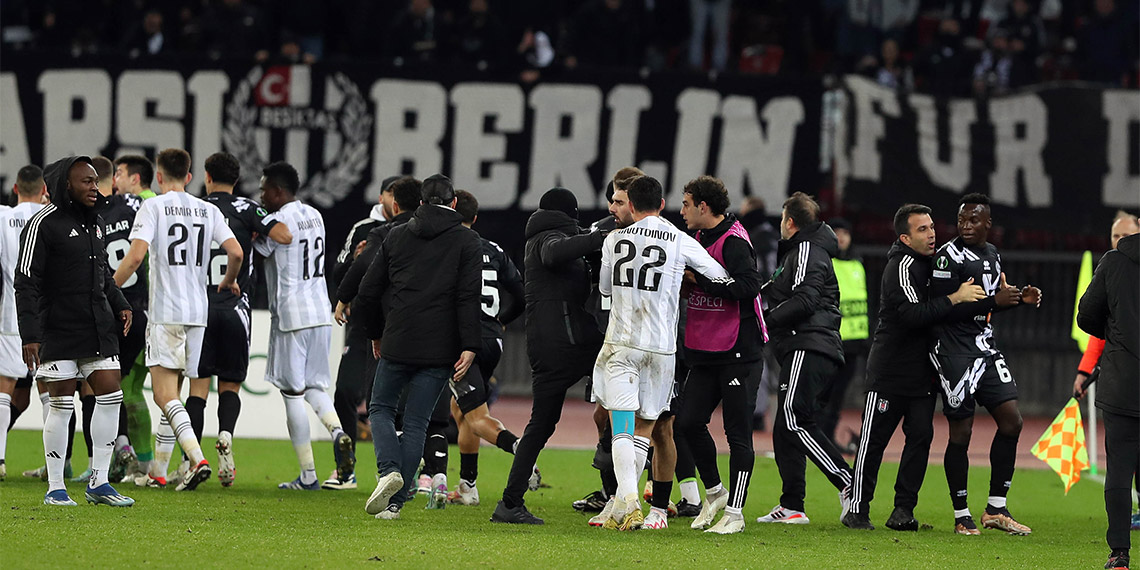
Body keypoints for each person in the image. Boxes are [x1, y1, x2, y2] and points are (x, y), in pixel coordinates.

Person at [592, 175, 729, 532]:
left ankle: (629, 501)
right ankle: (624, 504)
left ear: (631, 205)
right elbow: (718, 274)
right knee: (646, 427)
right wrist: (687, 280)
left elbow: (605, 288)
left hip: (622, 343)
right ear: (662, 204)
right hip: (662, 350)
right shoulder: (680, 239)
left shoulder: (614, 240)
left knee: (621, 425)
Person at [842, 204, 985, 531]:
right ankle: (857, 509)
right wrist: (955, 298)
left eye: (932, 226)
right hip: (890, 371)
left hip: (923, 372)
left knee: (920, 438)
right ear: (905, 238)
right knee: (873, 441)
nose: (932, 233)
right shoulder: (901, 265)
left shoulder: (934, 264)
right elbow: (912, 315)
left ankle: (903, 510)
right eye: (922, 229)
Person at [113, 148, 242, 491]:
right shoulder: (208, 209)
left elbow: (136, 257)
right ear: (189, 176)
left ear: (158, 177)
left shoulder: (153, 206)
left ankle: (197, 459)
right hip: (198, 314)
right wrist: (229, 280)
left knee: (163, 395)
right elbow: (236, 252)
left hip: (166, 312)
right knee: (176, 395)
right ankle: (158, 472)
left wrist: (108, 288)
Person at [354, 174, 482, 520]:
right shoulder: (468, 241)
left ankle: (388, 470)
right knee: (417, 422)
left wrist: (375, 333)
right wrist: (470, 344)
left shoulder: (397, 235)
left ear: (421, 202)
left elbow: (368, 291)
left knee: (380, 407)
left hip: (398, 338)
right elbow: (468, 297)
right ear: (453, 203)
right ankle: (394, 505)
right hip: (440, 347)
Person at [16, 155, 134, 506]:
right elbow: (25, 282)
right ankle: (56, 488)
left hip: (97, 324)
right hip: (58, 327)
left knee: (111, 395)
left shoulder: (95, 222)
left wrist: (121, 303)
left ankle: (99, 482)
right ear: (66, 185)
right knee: (62, 403)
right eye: (87, 182)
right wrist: (30, 335)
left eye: (96, 181)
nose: (95, 188)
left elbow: (102, 274)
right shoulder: (42, 224)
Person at [491, 187, 606, 525]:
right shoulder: (547, 239)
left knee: (541, 424)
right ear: (570, 213)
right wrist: (599, 236)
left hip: (552, 342)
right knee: (623, 398)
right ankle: (616, 491)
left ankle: (510, 502)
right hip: (567, 342)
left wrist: (596, 239)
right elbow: (555, 253)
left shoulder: (543, 235)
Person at [929, 193, 1040, 535]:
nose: (966, 226)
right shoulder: (947, 257)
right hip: (954, 352)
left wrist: (1018, 299)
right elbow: (941, 309)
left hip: (985, 348)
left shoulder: (992, 253)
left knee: (1012, 421)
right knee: (961, 433)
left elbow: (988, 306)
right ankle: (961, 514)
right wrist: (994, 301)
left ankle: (996, 508)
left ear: (988, 224)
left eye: (973, 220)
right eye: (961, 220)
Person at [185, 152, 293, 487]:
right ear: (236, 180)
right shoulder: (248, 209)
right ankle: (226, 435)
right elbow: (284, 235)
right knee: (230, 385)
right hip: (235, 308)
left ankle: (193, 461)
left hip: (200, 310)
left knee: (197, 388)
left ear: (207, 177)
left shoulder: (195, 208)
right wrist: (257, 233)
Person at [251, 161, 352, 491]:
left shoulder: (279, 220)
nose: (261, 196)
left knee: (292, 394)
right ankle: (338, 433)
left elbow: (259, 249)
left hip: (292, 313)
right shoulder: (315, 215)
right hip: (321, 310)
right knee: (314, 387)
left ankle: (308, 474)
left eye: (264, 190)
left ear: (278, 191)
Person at [675, 176, 767, 534]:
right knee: (687, 423)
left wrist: (699, 281)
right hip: (705, 348)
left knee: (737, 433)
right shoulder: (696, 239)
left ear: (703, 206)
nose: (682, 211)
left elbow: (749, 286)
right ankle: (715, 493)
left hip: (738, 351)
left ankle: (736, 513)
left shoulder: (734, 241)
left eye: (686, 204)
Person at [758, 191, 854, 526]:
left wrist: (764, 322)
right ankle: (792, 505)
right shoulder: (805, 251)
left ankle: (848, 482)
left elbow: (804, 300)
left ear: (790, 222)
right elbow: (777, 291)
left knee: (793, 417)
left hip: (808, 344)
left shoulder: (806, 250)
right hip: (809, 345)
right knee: (785, 427)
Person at [326, 175, 411, 490]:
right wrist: (354, 259)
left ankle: (400, 472)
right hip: (363, 327)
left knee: (392, 401)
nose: (391, 199)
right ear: (381, 197)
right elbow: (338, 272)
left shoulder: (415, 231)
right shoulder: (363, 229)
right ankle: (346, 469)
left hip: (397, 327)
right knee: (345, 393)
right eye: (389, 192)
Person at [446, 189, 527, 506]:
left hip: (463, 342)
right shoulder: (493, 249)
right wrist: (501, 321)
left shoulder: (449, 246)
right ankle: (468, 487)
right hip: (493, 340)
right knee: (462, 411)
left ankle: (521, 450)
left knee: (477, 416)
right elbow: (521, 296)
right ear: (475, 218)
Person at [1077, 231, 1138, 570]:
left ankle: (1119, 554)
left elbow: (1086, 315)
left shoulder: (1114, 262)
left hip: (1122, 382)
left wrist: (1115, 331)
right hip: (1123, 382)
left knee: (1119, 470)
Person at [89, 156, 149, 484]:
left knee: (95, 387)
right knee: (120, 385)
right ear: (113, 180)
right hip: (140, 310)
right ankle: (139, 459)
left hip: (107, 310)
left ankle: (112, 453)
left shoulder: (88, 214)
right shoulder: (135, 207)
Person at [110, 154, 157, 483]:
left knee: (128, 389)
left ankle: (146, 463)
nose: (116, 180)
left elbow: (137, 257)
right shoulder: (146, 205)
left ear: (135, 179)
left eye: (120, 174)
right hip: (153, 309)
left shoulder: (146, 204)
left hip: (147, 309)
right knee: (136, 388)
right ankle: (149, 463)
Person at [0, 166, 47, 481]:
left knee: (4, 388)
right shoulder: (51, 218)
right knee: (49, 392)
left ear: (15, 188)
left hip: (10, 314)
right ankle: (57, 464)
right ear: (44, 191)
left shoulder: (3, 218)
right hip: (46, 318)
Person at [822, 218, 869, 453]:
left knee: (838, 396)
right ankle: (820, 438)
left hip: (853, 343)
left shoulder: (858, 264)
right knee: (826, 394)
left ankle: (828, 437)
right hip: (831, 341)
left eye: (845, 233)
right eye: (836, 232)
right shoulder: (825, 263)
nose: (841, 237)